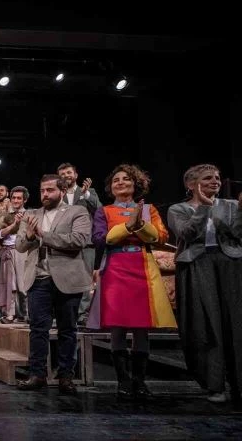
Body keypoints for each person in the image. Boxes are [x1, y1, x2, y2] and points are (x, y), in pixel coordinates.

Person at [87, 165, 177, 399]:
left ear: (135, 184)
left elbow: (161, 237)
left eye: (126, 179)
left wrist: (140, 224)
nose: (120, 182)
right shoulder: (104, 211)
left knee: (141, 327)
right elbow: (99, 239)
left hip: (142, 268)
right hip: (115, 268)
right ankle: (123, 381)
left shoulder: (148, 209)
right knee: (117, 326)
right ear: (110, 187)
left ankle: (140, 381)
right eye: (116, 180)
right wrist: (128, 227)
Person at [168, 164, 242, 404]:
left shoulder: (231, 205)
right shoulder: (178, 209)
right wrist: (204, 208)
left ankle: (239, 386)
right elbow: (187, 234)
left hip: (230, 264)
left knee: (235, 323)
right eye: (208, 178)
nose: (215, 181)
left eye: (217, 178)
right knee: (206, 324)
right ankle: (215, 385)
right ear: (191, 185)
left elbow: (237, 235)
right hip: (197, 265)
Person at [15, 175, 93, 395]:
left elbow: (78, 240)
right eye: (42, 191)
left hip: (67, 279)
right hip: (38, 279)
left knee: (67, 329)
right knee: (37, 329)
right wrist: (30, 236)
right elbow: (20, 246)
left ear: (62, 191)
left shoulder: (77, 211)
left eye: (50, 190)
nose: (45, 194)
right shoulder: (31, 215)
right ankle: (37, 374)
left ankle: (66, 377)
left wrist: (43, 235)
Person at [57, 162, 102, 324]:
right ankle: (65, 315)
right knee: (64, 280)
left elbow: (99, 210)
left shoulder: (89, 192)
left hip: (85, 242)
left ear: (75, 175)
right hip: (63, 243)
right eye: (62, 174)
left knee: (86, 280)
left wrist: (86, 194)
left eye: (69, 173)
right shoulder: (57, 195)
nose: (66, 176)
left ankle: (82, 315)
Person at [0, 186, 29, 323]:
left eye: (19, 198)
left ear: (24, 200)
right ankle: (10, 314)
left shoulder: (29, 215)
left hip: (23, 251)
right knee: (10, 285)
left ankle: (27, 314)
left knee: (23, 284)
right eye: (13, 198)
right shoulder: (4, 215)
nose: (16, 200)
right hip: (7, 251)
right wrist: (13, 225)